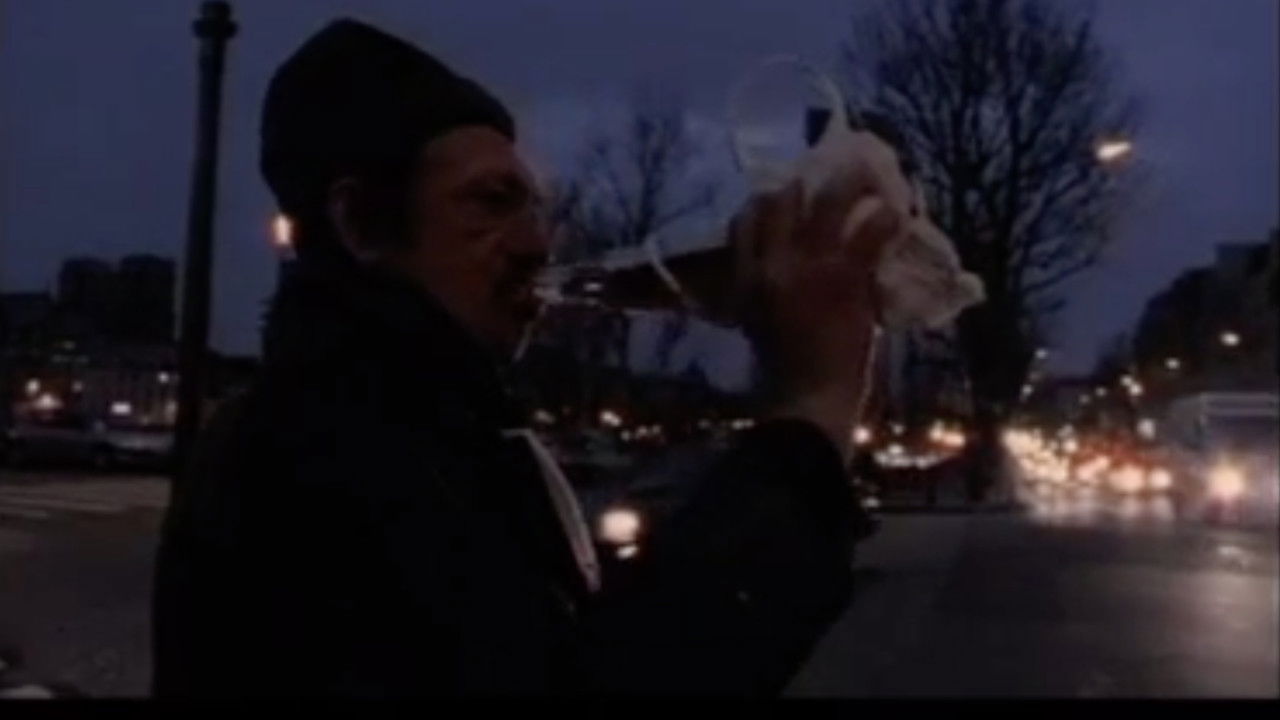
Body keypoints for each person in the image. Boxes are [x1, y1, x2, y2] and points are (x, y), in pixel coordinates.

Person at [152, 18, 901, 697]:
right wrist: (812, 408)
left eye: (534, 208)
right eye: (489, 202)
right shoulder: (310, 453)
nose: (538, 243)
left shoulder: (432, 427)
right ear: (359, 223)